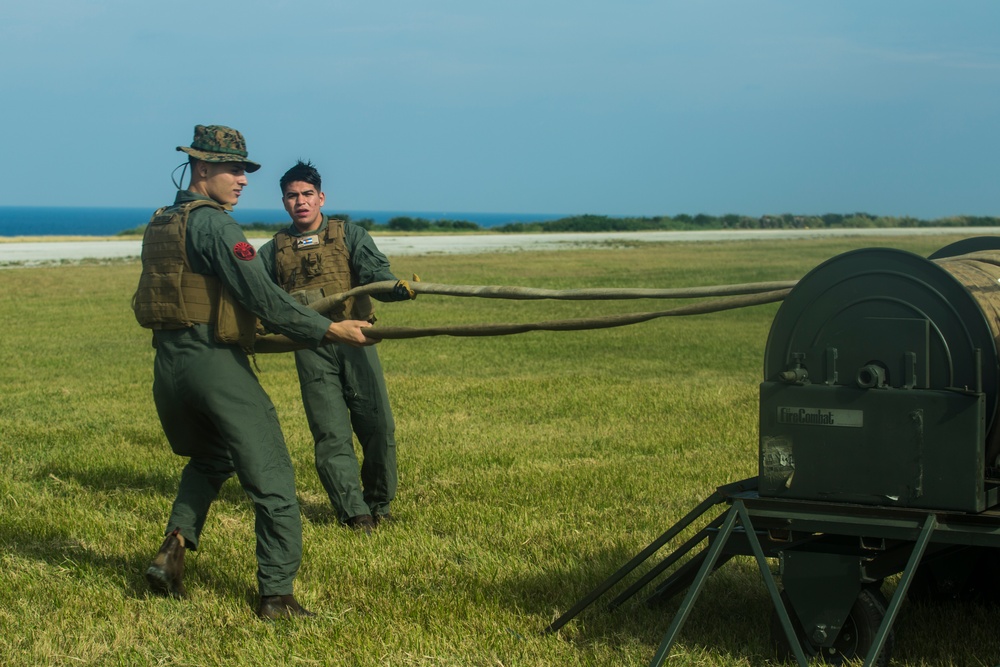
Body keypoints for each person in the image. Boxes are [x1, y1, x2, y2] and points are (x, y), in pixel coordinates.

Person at [134, 125, 375, 619]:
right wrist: (330, 331)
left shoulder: (163, 222)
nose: (243, 180)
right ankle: (276, 594)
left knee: (209, 458)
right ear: (203, 168)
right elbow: (262, 297)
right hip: (213, 363)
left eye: (245, 170)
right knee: (273, 477)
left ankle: (174, 545)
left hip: (168, 365)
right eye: (234, 169)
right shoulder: (217, 226)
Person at [258, 160, 415, 534]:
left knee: (377, 427)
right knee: (330, 433)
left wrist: (396, 289)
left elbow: (376, 276)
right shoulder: (273, 251)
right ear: (283, 202)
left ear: (321, 197)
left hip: (358, 341)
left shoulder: (350, 235)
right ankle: (354, 513)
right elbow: (258, 299)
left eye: (307, 194)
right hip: (310, 347)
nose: (301, 202)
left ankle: (379, 504)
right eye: (292, 196)